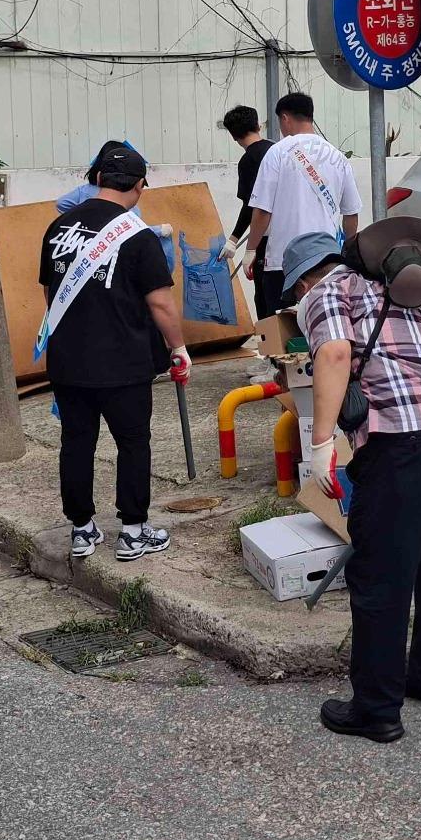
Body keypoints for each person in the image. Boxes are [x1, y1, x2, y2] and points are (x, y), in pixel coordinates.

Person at [290, 230, 421, 745]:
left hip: (404, 441)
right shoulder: (396, 293)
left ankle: (376, 709)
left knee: (381, 574)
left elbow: (335, 354)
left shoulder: (327, 291)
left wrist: (320, 444)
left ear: (303, 281)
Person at [37, 141, 191, 564]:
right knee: (133, 442)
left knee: (76, 442)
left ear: (100, 178)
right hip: (124, 361)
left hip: (68, 361)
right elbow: (161, 303)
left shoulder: (59, 228)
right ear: (139, 186)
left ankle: (81, 529)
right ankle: (133, 532)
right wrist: (178, 347)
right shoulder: (138, 236)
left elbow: (51, 295)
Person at [243, 93, 361, 282]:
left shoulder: (277, 152)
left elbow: (263, 210)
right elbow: (351, 213)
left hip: (283, 262)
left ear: (285, 118)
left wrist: (250, 250)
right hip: (327, 262)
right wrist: (348, 250)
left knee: (281, 303)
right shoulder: (338, 157)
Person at [221, 104, 281, 317]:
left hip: (267, 239)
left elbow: (252, 205)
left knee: (265, 299)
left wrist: (235, 240)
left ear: (233, 135)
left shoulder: (249, 160)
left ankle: (271, 337)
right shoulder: (278, 150)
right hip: (294, 236)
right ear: (258, 125)